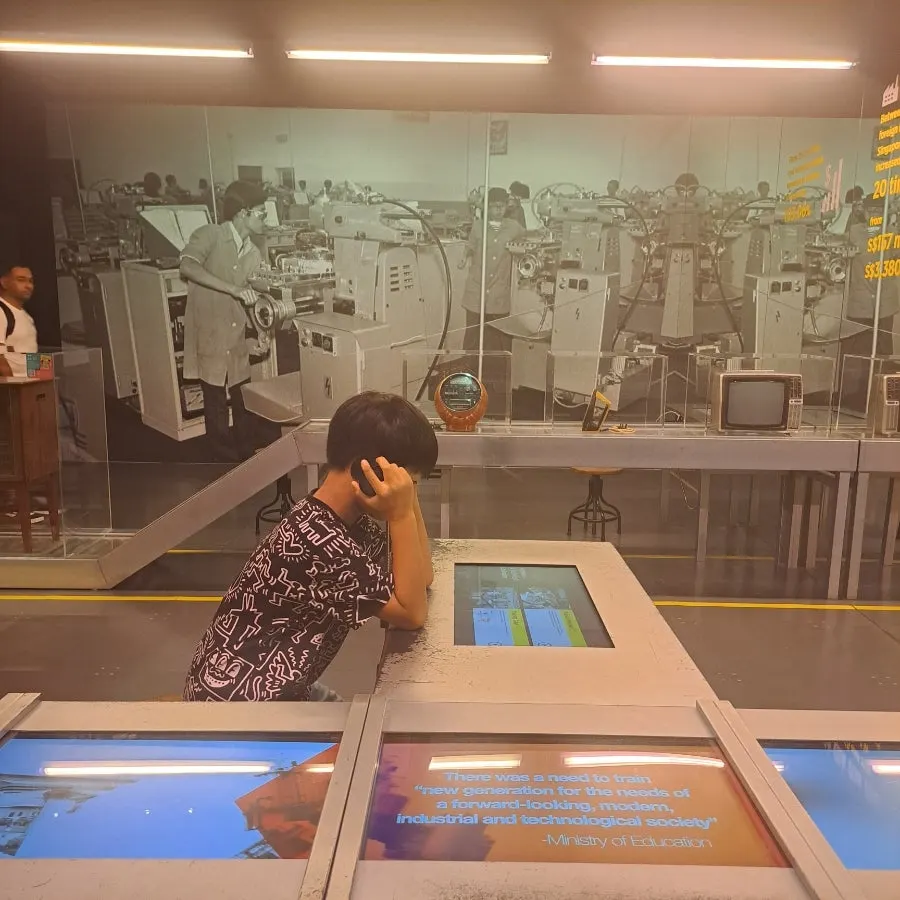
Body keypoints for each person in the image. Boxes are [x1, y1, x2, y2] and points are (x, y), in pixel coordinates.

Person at [183, 391, 436, 702]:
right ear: (366, 471)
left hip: (278, 682)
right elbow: (411, 612)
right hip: (243, 701)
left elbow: (421, 578)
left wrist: (406, 501)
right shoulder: (319, 539)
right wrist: (400, 514)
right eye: (406, 482)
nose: (407, 492)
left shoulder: (346, 523)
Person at [180, 180, 267, 462]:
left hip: (236, 333)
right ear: (243, 212)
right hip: (211, 333)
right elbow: (187, 266)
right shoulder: (210, 235)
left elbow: (252, 297)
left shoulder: (253, 252)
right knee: (215, 400)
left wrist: (261, 331)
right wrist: (232, 289)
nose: (266, 220)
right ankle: (221, 463)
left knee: (242, 398)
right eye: (262, 213)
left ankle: (246, 456)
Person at [459, 188, 526, 408]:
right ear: (486, 207)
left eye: (501, 206)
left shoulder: (514, 227)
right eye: (494, 206)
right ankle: (467, 382)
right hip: (476, 290)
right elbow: (470, 247)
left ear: (507, 206)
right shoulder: (478, 226)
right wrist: (463, 257)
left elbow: (529, 242)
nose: (498, 210)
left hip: (498, 292)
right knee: (472, 337)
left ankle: (498, 387)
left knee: (498, 339)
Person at [0, 266, 37, 379]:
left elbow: (30, 352)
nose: (28, 286)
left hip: (30, 384)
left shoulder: (27, 317)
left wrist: (41, 380)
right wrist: (12, 386)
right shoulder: (1, 311)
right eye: (21, 280)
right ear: (4, 282)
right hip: (13, 386)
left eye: (30, 281)